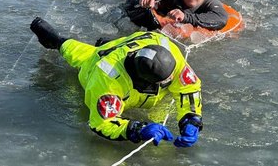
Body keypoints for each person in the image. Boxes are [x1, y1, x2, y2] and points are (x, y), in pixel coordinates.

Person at [30, 17, 203, 147]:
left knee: (94, 49)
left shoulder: (168, 51)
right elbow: (102, 123)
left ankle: (104, 44)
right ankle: (54, 39)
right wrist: (137, 128)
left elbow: (188, 87)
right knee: (72, 50)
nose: (172, 80)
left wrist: (191, 118)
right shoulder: (107, 79)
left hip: (122, 48)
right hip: (94, 64)